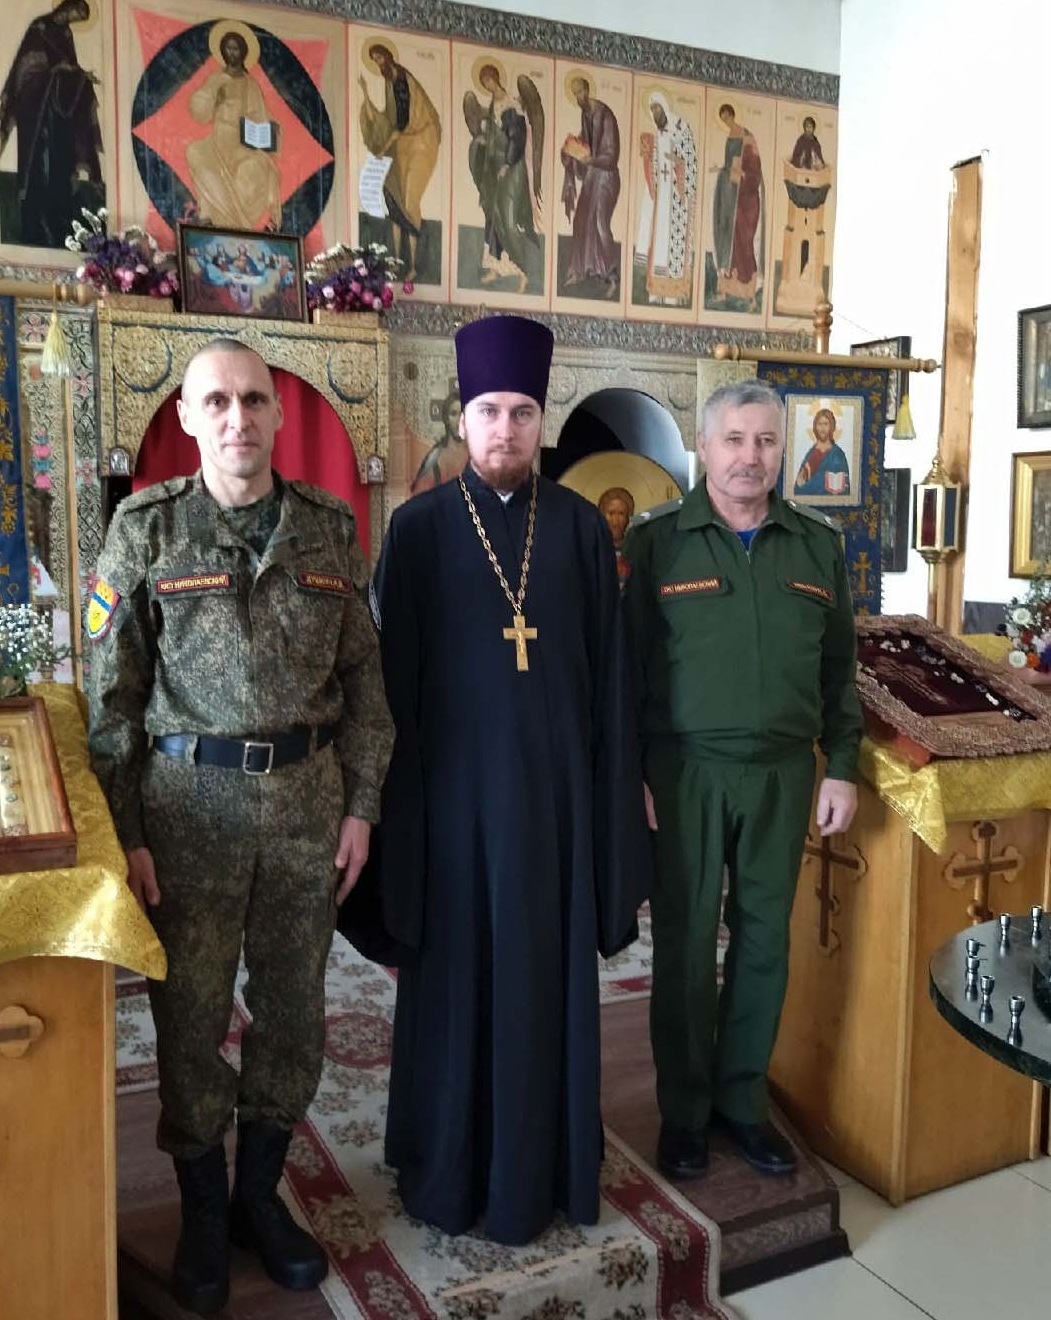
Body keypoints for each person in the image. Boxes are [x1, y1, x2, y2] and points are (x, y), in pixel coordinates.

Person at [87, 338, 392, 1315]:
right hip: (188, 818)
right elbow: (111, 700)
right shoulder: (146, 529)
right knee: (189, 1018)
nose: (237, 418)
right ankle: (203, 1210)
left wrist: (362, 805)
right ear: (186, 417)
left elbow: (366, 685)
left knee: (294, 1013)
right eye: (216, 401)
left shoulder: (326, 529)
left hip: (307, 810)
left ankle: (260, 1195)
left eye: (253, 399)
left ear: (277, 412)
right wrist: (127, 831)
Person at [356, 313, 647, 1244]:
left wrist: (610, 806)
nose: (506, 430)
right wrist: (393, 816)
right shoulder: (417, 531)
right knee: (454, 991)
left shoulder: (581, 531)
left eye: (523, 412)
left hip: (554, 815)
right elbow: (387, 691)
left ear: (541, 421)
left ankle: (541, 1167)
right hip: (449, 811)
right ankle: (445, 1166)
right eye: (489, 411)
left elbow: (609, 685)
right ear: (463, 417)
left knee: (538, 990)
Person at [622, 380, 862, 1182]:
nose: (750, 457)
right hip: (685, 772)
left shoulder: (817, 546)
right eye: (734, 439)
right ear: (703, 444)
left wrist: (843, 767)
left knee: (764, 942)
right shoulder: (658, 542)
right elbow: (627, 669)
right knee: (686, 945)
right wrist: (631, 772)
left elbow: (839, 672)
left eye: (765, 440)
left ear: (783, 448)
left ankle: (743, 1103)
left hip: (784, 773)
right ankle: (685, 1113)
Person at [0, 0, 103, 250]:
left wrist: (81, 75)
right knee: (38, 165)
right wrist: (56, 70)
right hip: (36, 112)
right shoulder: (40, 28)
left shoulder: (66, 34)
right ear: (69, 7)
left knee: (60, 165)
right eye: (78, 14)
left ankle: (58, 223)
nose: (77, 20)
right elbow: (27, 67)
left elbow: (69, 66)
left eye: (81, 19)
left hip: (57, 113)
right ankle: (35, 225)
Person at [358, 43, 441, 281]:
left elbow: (401, 125)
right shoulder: (390, 82)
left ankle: (413, 265)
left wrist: (382, 150)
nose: (378, 63)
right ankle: (395, 262)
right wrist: (365, 94)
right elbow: (389, 120)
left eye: (380, 57)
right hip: (401, 145)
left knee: (410, 201)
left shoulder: (402, 81)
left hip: (419, 143)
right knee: (393, 198)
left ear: (388, 56)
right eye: (375, 59)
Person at [186, 28, 282, 230]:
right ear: (222, 51)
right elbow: (200, 112)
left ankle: (239, 223)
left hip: (243, 145)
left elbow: (261, 118)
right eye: (228, 48)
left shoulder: (250, 84)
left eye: (236, 48)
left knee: (253, 168)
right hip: (218, 140)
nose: (232, 52)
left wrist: (267, 135)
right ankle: (210, 213)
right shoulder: (216, 79)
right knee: (194, 152)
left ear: (244, 52)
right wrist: (213, 93)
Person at [463, 63, 544, 292]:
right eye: (484, 83)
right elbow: (493, 135)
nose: (488, 86)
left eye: (489, 80)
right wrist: (483, 139)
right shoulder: (491, 107)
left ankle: (523, 271)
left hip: (513, 168)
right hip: (494, 169)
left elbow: (517, 137)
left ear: (496, 79)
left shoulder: (512, 104)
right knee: (492, 217)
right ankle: (495, 266)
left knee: (508, 220)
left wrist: (507, 164)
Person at [560, 75, 621, 298]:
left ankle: (612, 276)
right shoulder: (585, 114)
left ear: (588, 90)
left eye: (580, 92)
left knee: (600, 223)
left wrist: (591, 160)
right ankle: (582, 270)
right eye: (575, 94)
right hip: (593, 176)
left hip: (606, 177)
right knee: (580, 220)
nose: (578, 97)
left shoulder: (605, 115)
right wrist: (570, 150)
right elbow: (585, 142)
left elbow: (611, 156)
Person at [635, 95, 697, 303]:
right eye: (652, 110)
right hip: (661, 198)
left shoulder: (681, 129)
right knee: (658, 241)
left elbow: (690, 160)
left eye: (658, 109)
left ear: (665, 107)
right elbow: (653, 163)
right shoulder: (658, 134)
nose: (655, 113)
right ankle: (656, 291)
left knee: (674, 247)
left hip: (677, 201)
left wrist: (677, 161)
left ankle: (673, 295)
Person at [710, 103, 762, 300]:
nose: (726, 122)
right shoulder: (729, 136)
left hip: (744, 199)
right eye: (723, 119)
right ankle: (725, 288)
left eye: (727, 117)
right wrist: (721, 170)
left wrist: (742, 173)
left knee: (742, 241)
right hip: (729, 194)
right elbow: (729, 165)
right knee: (725, 234)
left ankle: (747, 290)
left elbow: (754, 171)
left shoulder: (747, 137)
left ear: (733, 115)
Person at [409, 385, 467, 495]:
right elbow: (419, 496)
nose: (459, 420)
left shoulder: (476, 455)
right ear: (446, 419)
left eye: (462, 414)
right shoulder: (435, 457)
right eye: (453, 414)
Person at [794, 407, 850, 496]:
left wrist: (815, 482)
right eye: (819, 424)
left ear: (831, 426)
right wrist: (800, 484)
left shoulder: (838, 454)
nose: (822, 427)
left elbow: (843, 489)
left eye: (826, 424)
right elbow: (798, 486)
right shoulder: (811, 453)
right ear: (815, 427)